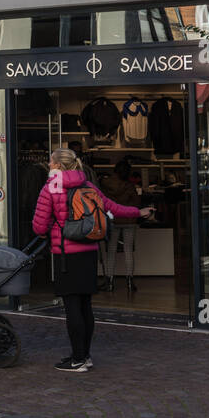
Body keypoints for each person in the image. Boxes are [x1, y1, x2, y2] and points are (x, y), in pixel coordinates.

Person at [32, 148, 153, 372]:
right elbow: (112, 208)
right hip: (88, 252)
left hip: (66, 255)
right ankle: (85, 356)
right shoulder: (88, 186)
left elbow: (39, 227)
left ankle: (77, 359)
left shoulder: (50, 188)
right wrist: (138, 212)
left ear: (58, 165)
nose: (48, 165)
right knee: (86, 306)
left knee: (72, 307)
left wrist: (51, 230)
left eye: (50, 162)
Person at [99, 158, 141, 291]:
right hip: (128, 221)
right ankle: (129, 281)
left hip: (112, 220)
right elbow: (136, 202)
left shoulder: (104, 183)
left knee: (111, 251)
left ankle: (109, 281)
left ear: (115, 170)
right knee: (128, 250)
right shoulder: (129, 186)